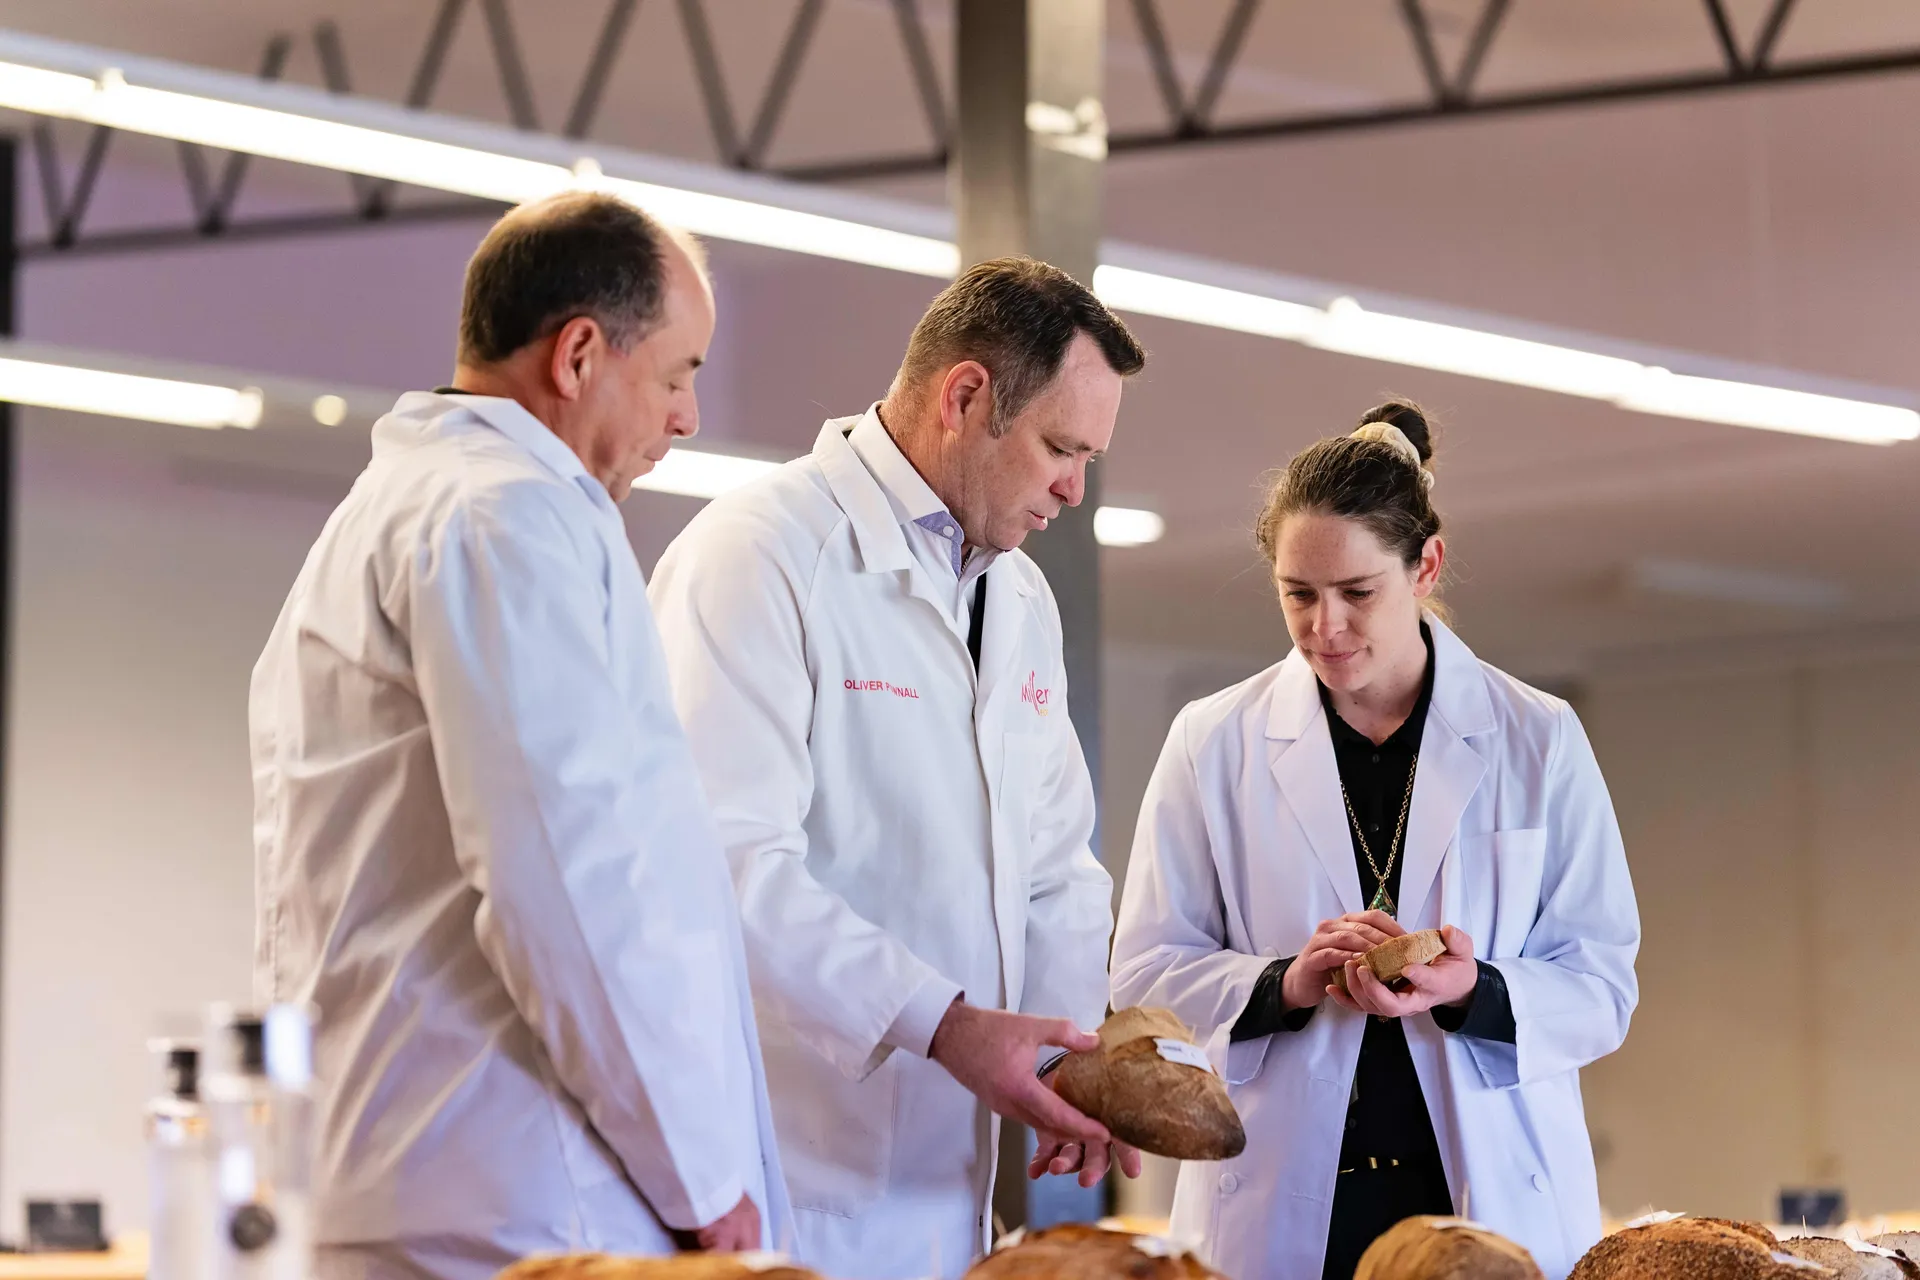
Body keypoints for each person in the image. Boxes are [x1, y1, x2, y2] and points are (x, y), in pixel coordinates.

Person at [249, 191, 790, 1280]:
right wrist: (701, 1175)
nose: (686, 417)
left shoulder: (404, 509)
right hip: (521, 1193)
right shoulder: (504, 518)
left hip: (435, 1170)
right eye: (679, 373)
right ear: (581, 353)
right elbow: (565, 882)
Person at [648, 258, 1147, 1279]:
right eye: (1059, 446)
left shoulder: (1022, 600)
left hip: (950, 1188)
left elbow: (1056, 866)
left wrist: (1067, 1062)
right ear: (963, 397)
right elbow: (726, 864)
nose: (1075, 487)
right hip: (790, 1176)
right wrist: (947, 1024)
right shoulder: (762, 552)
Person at [1108, 401, 1640, 1280]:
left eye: (1358, 593)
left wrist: (1473, 988)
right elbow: (1145, 971)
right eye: (1298, 594)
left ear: (1425, 564)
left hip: (1481, 1197)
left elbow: (1602, 979)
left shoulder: (1536, 737)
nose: (1327, 627)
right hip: (1286, 1203)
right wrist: (1284, 983)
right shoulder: (1213, 741)